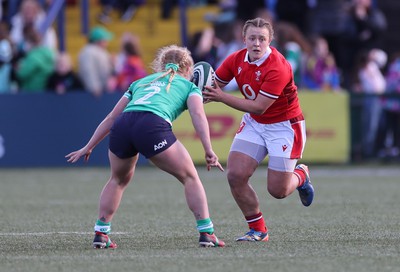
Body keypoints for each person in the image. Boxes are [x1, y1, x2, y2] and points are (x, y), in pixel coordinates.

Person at [66, 44, 225, 249]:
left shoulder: (139, 82)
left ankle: (101, 233)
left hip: (123, 126)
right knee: (190, 177)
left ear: (160, 65)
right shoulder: (189, 86)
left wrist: (89, 145)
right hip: (152, 125)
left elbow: (112, 117)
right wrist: (208, 149)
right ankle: (207, 233)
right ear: (188, 69)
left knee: (117, 180)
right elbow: (198, 115)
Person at [202, 17, 314, 242]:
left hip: (284, 126)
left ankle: (301, 175)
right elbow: (214, 87)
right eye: (252, 38)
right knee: (235, 175)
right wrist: (193, 90)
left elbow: (259, 107)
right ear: (244, 39)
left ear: (270, 40)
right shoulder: (235, 59)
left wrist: (220, 97)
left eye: (262, 39)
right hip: (255, 123)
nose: (256, 43)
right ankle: (259, 230)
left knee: (278, 191)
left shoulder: (279, 66)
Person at [78, 26, 115, 97]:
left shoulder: (102, 52)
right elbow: (88, 70)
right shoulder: (88, 51)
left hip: (103, 90)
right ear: (99, 40)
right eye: (105, 40)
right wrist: (94, 87)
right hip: (94, 92)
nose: (107, 42)